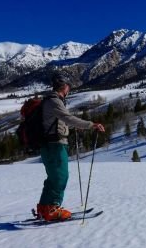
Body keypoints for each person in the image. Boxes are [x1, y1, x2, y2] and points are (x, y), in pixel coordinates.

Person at [36, 73, 105, 221]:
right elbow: (67, 118)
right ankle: (52, 208)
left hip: (48, 144)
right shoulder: (55, 101)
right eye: (69, 87)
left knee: (53, 177)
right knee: (61, 176)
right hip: (55, 145)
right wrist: (91, 125)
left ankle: (44, 207)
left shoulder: (50, 100)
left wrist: (68, 127)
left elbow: (59, 121)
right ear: (65, 87)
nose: (69, 90)